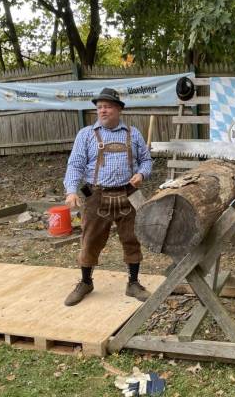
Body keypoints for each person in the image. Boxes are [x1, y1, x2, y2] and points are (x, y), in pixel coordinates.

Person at [63, 87, 153, 306]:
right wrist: (71, 190)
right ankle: (86, 282)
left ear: (118, 110)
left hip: (129, 193)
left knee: (132, 238)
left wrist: (142, 173)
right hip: (95, 194)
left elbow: (147, 161)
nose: (102, 111)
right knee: (90, 239)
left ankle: (133, 283)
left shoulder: (133, 134)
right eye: (99, 107)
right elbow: (75, 165)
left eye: (107, 107)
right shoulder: (85, 135)